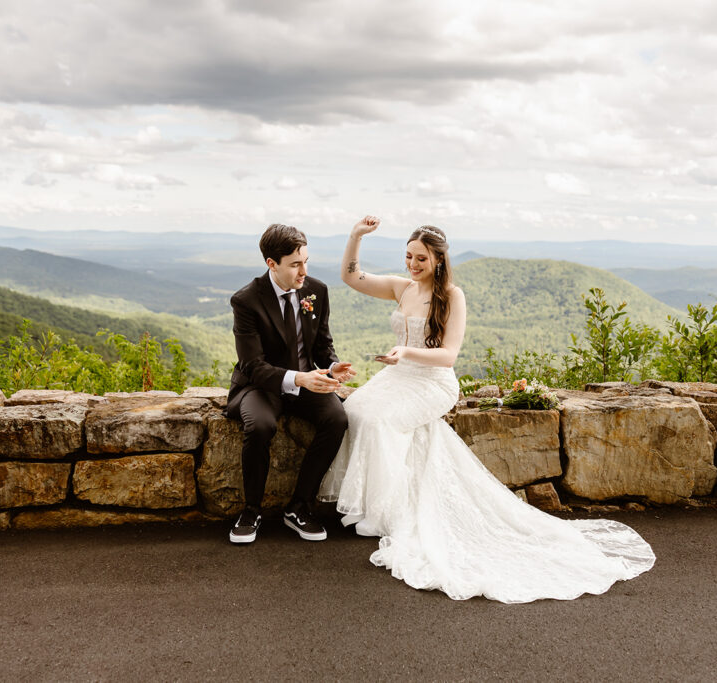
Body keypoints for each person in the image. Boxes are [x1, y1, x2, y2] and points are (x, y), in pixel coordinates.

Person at [319, 215, 656, 602]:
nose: (412, 265)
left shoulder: (452, 296)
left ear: (439, 261)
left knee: (380, 420)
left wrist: (406, 352)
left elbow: (447, 357)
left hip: (432, 382)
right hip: (399, 377)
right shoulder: (402, 288)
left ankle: (386, 513)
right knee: (357, 407)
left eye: (421, 259)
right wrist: (355, 236)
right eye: (408, 256)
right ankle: (383, 500)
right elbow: (351, 276)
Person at [225, 223, 355, 544]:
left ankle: (299, 506)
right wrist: (297, 378)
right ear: (272, 264)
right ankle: (251, 509)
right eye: (295, 264)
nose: (303, 271)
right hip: (261, 386)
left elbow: (323, 346)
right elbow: (252, 365)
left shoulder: (316, 291)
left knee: (337, 418)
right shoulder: (246, 301)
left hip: (307, 381)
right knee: (260, 426)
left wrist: (331, 367)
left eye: (306, 261)